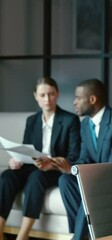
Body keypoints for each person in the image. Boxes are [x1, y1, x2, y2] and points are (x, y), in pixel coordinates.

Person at [0, 77, 81, 240]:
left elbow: (74, 155)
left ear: (57, 94)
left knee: (36, 177)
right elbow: (25, 148)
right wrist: (17, 160)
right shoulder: (32, 121)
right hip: (32, 165)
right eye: (42, 95)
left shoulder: (70, 120)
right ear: (35, 96)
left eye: (51, 94)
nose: (47, 99)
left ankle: (23, 235)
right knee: (7, 176)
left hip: (54, 169)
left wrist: (50, 163)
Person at [52, 79, 112, 240]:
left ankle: (79, 237)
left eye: (78, 98)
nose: (74, 102)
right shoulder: (85, 124)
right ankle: (83, 233)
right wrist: (68, 167)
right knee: (65, 181)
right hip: (96, 179)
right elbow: (84, 158)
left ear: (92, 99)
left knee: (89, 190)